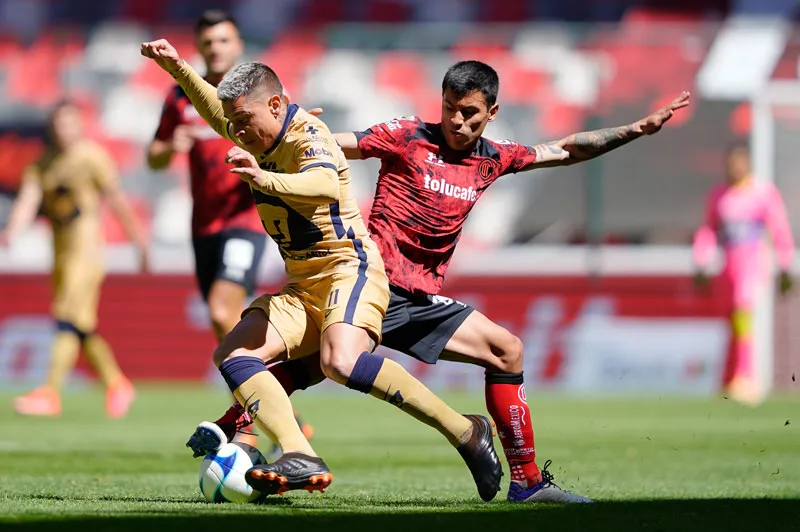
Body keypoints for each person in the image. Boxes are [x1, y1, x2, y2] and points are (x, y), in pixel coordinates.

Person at [202, 60, 690, 503]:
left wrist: (633, 131)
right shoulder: (405, 135)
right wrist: (298, 128)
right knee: (321, 363)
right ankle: (242, 432)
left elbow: (564, 149)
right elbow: (330, 148)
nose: (457, 121)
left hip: (416, 298)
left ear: (492, 112)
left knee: (505, 351)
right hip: (368, 282)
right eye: (450, 108)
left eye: (470, 113)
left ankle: (526, 484)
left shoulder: (494, 158)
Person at [140, 40, 502, 500]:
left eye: (243, 119)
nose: (236, 130)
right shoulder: (255, 130)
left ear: (276, 105)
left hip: (349, 270)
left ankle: (465, 431)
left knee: (339, 362)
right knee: (232, 354)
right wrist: (177, 67)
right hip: (305, 284)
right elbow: (217, 110)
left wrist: (264, 178)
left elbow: (325, 183)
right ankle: (299, 453)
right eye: (233, 122)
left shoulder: (307, 134)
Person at [146, 10, 311, 447]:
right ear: (199, 47)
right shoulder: (181, 96)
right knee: (226, 326)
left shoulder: (258, 92)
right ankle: (275, 408)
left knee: (223, 313)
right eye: (208, 42)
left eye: (223, 41)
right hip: (204, 225)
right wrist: (170, 146)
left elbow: (291, 137)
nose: (216, 49)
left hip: (246, 219)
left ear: (237, 45)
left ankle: (249, 430)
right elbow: (154, 158)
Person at [0, 100, 148, 418]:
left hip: (87, 252)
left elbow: (118, 201)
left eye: (68, 123)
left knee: (65, 316)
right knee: (80, 325)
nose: (62, 130)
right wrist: (12, 231)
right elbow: (29, 199)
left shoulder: (92, 157)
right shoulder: (43, 163)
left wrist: (139, 241)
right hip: (60, 253)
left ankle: (50, 392)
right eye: (58, 124)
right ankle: (117, 383)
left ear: (79, 125)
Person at [693, 142, 794, 406]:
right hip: (729, 266)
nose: (735, 168)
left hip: (754, 262)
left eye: (740, 162)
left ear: (748, 163)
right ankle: (727, 380)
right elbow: (709, 230)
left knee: (743, 312)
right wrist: (701, 261)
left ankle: (746, 378)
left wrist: (785, 265)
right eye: (731, 163)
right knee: (733, 322)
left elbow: (779, 229)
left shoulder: (763, 193)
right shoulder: (720, 195)